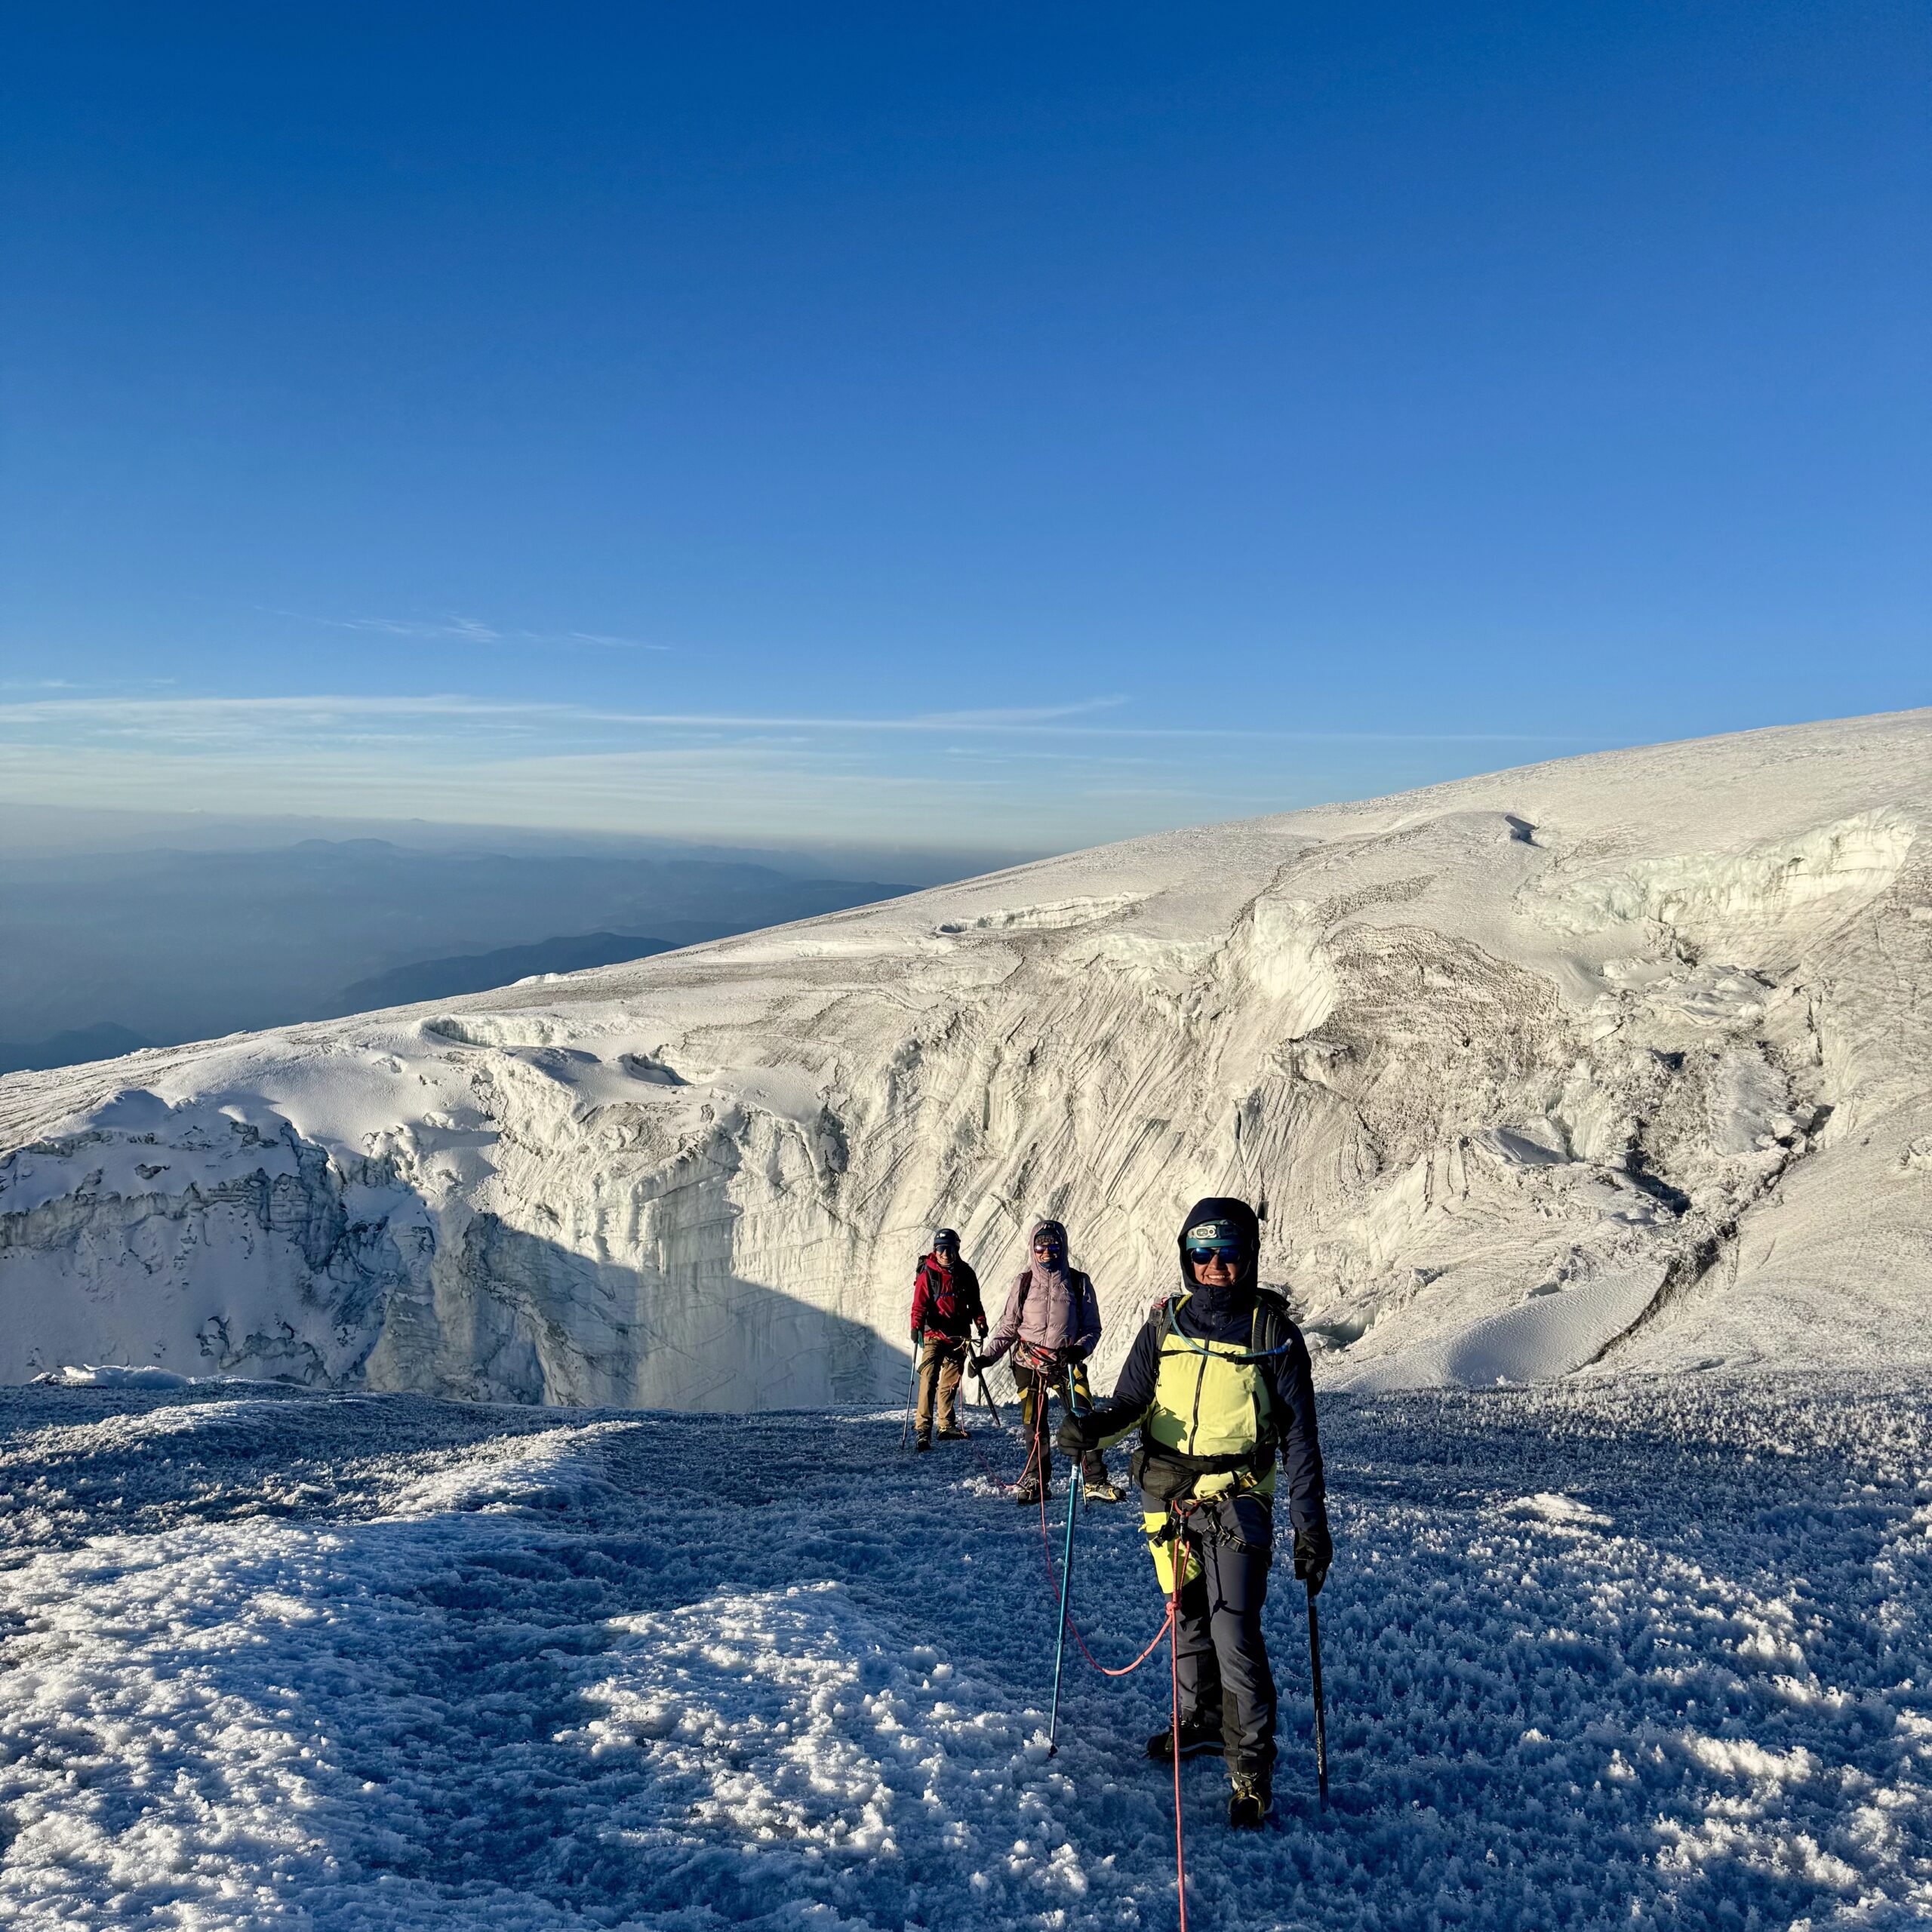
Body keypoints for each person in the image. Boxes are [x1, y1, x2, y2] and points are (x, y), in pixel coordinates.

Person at [1057, 1195, 1330, 1829]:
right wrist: (1089, 1432)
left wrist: (1309, 1528)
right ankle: (1200, 1722)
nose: (1214, 1266)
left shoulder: (1275, 1339)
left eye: (1228, 1255)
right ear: (1187, 1257)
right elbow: (1129, 1403)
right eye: (1202, 1254)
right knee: (1185, 1615)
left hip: (1238, 1500)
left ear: (1250, 1258)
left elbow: (1300, 1443)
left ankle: (1251, 1772)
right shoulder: (1163, 1326)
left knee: (1235, 1629)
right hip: (1167, 1494)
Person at [978, 1217, 1121, 1506]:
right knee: (1034, 1422)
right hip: (1027, 1362)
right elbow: (1009, 1327)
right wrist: (987, 1357)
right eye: (1041, 1248)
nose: (1046, 1253)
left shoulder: (1079, 1283)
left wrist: (1080, 1351)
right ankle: (1036, 1480)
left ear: (1063, 1247)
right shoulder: (1024, 1282)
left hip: (1067, 1361)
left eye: (1053, 1247)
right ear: (1033, 1249)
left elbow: (1092, 1328)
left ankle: (1094, 1480)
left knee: (1084, 1416)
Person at [909, 1228, 987, 1451]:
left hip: (959, 1336)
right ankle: (923, 1429)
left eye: (949, 1249)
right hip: (934, 1334)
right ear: (935, 1250)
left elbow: (975, 1302)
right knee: (929, 1377)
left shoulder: (966, 1273)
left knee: (950, 1382)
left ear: (956, 1249)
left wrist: (980, 1321)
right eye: (941, 1249)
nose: (945, 1254)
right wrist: (916, 1327)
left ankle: (946, 1426)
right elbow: (919, 1305)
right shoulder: (928, 1274)